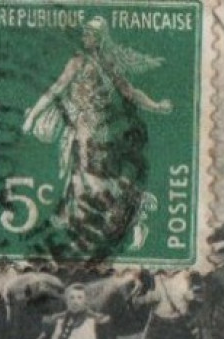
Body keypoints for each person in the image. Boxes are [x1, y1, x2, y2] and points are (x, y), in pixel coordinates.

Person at [19, 16, 173, 246]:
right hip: (87, 127)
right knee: (80, 173)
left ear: (99, 39)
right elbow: (56, 90)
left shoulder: (98, 64)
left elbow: (130, 92)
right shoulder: (80, 62)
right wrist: (32, 116)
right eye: (85, 33)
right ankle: (78, 223)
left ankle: (133, 213)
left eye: (90, 34)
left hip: (95, 129)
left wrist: (155, 106)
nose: (86, 37)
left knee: (90, 176)